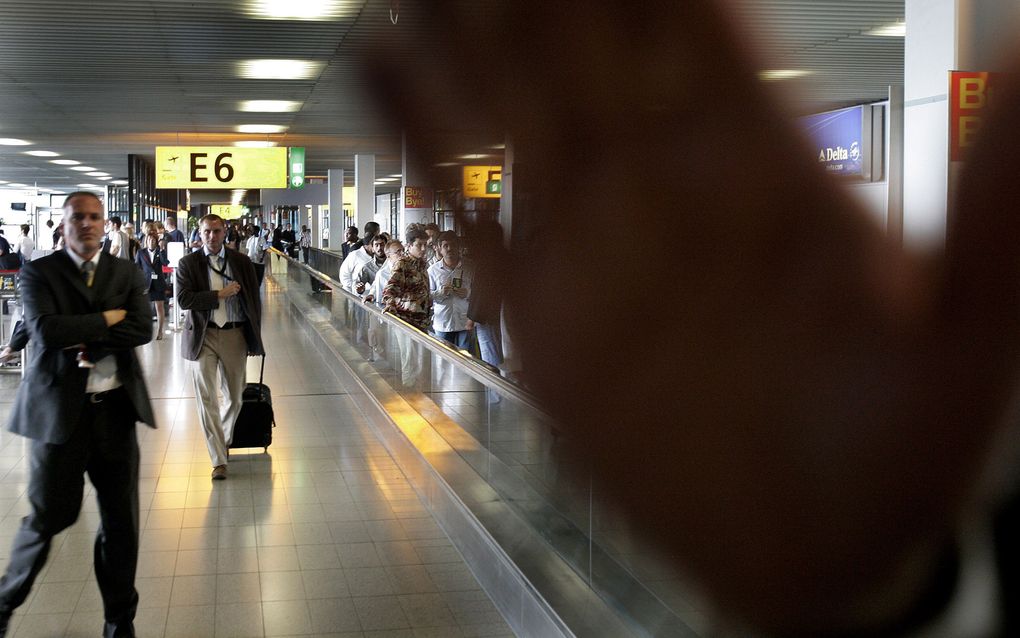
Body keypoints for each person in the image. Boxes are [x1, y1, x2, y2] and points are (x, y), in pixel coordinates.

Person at [0, 191, 155, 637]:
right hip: (58, 418)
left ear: (104, 223)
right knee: (49, 516)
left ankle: (119, 621)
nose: (87, 224)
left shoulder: (124, 271)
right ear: (63, 224)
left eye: (94, 217)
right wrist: (108, 318)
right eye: (77, 218)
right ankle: (6, 602)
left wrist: (86, 334)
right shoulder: (39, 273)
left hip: (115, 414)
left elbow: (142, 326)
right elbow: (46, 331)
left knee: (120, 525)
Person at [176, 214, 264, 481]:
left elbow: (252, 300)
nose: (211, 236)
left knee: (235, 396)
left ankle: (223, 439)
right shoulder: (188, 263)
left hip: (235, 333)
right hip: (203, 336)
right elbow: (183, 299)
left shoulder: (241, 261)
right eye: (206, 232)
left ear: (225, 232)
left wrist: (253, 338)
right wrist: (218, 296)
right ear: (199, 234)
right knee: (207, 399)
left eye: (216, 231)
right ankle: (218, 459)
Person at [428, 231, 472, 349]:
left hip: (464, 321)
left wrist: (468, 293)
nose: (449, 249)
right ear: (439, 249)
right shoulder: (432, 271)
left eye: (453, 245)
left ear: (459, 247)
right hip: (443, 322)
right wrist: (440, 293)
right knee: (443, 359)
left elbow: (480, 293)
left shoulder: (470, 268)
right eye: (445, 246)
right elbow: (427, 295)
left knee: (466, 359)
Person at [382, 227, 431, 331]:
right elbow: (390, 288)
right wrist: (390, 303)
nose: (423, 248)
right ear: (409, 246)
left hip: (422, 320)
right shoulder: (402, 264)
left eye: (425, 245)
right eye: (419, 245)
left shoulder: (423, 264)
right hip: (406, 321)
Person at [135, 232, 169, 340]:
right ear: (146, 241)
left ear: (156, 242)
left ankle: (160, 331)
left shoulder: (160, 252)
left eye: (153, 240)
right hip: (146, 283)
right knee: (145, 308)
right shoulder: (141, 252)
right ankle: (145, 330)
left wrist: (162, 250)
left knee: (159, 307)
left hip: (158, 283)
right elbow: (137, 267)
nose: (151, 242)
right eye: (149, 240)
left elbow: (165, 263)